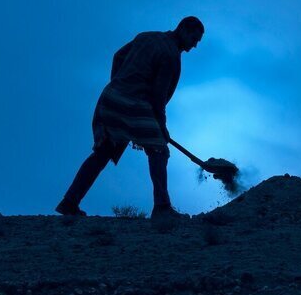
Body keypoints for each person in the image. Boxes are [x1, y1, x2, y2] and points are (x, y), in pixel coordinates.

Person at [57, 16, 205, 221]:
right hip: (133, 103)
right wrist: (161, 125)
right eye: (194, 39)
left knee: (102, 152)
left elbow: (118, 57)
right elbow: (158, 95)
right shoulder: (170, 55)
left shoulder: (146, 36)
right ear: (183, 30)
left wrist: (119, 84)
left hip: (109, 97)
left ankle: (69, 202)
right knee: (159, 149)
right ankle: (162, 207)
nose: (194, 46)